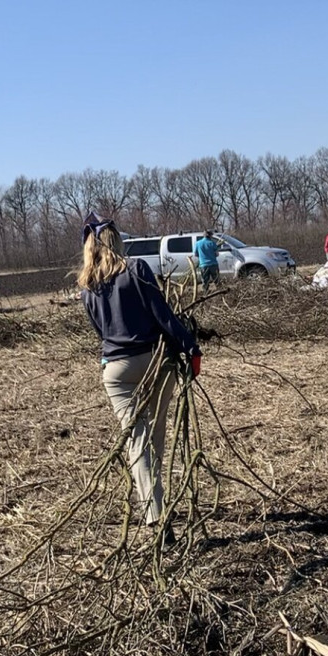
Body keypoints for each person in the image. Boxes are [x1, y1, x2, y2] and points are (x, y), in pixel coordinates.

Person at [77, 212, 202, 546]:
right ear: (116, 240)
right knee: (154, 437)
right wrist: (191, 348)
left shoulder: (87, 287)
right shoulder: (136, 269)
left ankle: (154, 512)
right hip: (154, 362)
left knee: (137, 440)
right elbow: (163, 316)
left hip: (116, 371)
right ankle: (158, 512)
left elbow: (101, 333)